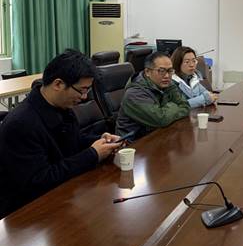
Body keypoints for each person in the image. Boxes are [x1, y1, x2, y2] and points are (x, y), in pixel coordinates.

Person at [0, 50, 122, 219]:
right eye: (82, 90)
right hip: (27, 213)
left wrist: (101, 142)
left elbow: (73, 141)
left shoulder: (61, 107)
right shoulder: (21, 124)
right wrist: (92, 154)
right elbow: (39, 181)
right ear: (58, 84)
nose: (84, 97)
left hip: (63, 195)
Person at [116, 51, 190, 140]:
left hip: (158, 135)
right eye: (161, 71)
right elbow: (161, 119)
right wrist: (174, 105)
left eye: (170, 71)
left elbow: (186, 106)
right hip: (134, 143)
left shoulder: (167, 83)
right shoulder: (134, 94)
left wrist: (166, 113)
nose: (167, 76)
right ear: (147, 72)